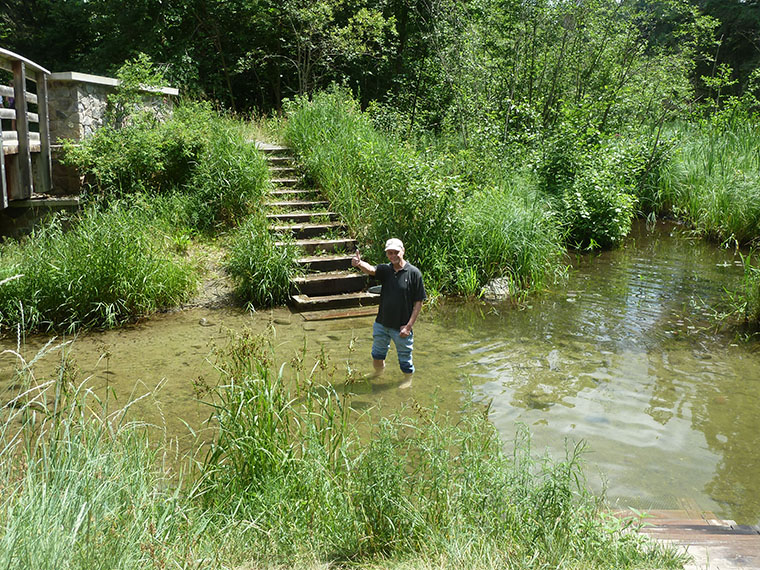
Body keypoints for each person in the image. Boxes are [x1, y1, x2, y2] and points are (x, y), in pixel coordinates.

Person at [351, 238, 426, 387]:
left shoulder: (414, 273)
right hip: (381, 323)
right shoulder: (386, 270)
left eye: (395, 252)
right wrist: (359, 264)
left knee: (405, 359)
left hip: (401, 327)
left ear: (402, 251)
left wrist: (409, 326)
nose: (393, 256)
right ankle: (378, 373)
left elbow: (419, 302)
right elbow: (372, 270)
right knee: (377, 355)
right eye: (389, 253)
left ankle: (407, 380)